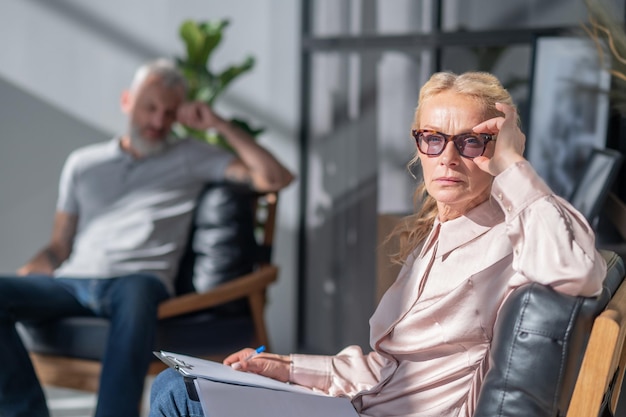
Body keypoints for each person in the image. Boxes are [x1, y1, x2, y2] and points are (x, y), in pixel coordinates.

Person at [148, 71, 606, 417]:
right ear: (418, 145)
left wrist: (511, 162)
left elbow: (578, 271)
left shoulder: (514, 237)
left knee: (176, 392)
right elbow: (388, 370)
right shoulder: (442, 230)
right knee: (179, 381)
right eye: (433, 139)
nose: (447, 157)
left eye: (472, 143)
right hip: (360, 406)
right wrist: (287, 367)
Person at [0, 58, 294, 417]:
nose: (158, 121)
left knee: (136, 294)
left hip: (139, 280)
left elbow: (275, 178)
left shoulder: (193, 156)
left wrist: (218, 123)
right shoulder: (84, 164)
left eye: (169, 113)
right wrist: (30, 273)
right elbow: (60, 246)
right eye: (150, 107)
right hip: (74, 281)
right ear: (127, 102)